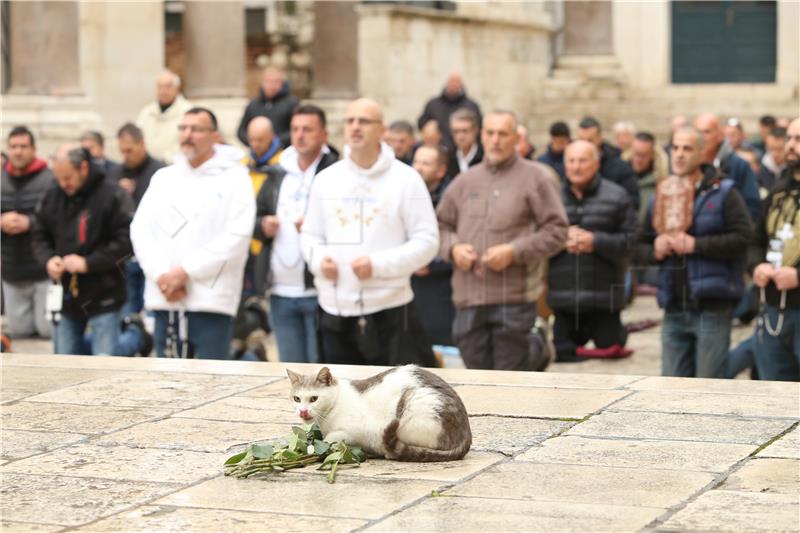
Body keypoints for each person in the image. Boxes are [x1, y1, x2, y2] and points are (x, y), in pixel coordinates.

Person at [301, 98, 439, 367]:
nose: (355, 127)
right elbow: (309, 235)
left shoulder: (406, 179)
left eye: (364, 121)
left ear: (382, 130)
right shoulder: (326, 179)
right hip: (334, 309)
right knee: (342, 401)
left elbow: (427, 241)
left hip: (391, 311)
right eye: (350, 120)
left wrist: (377, 265)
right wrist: (318, 259)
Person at [437, 110, 568, 370]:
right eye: (490, 133)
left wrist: (514, 251)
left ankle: (539, 345)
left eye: (503, 134)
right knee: (476, 380)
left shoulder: (536, 177)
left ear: (516, 138)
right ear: (481, 136)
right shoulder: (464, 181)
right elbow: (439, 226)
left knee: (510, 382)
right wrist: (453, 248)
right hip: (468, 299)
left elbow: (557, 231)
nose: (495, 140)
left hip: (514, 299)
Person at [130, 107, 255, 359]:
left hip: (210, 299)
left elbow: (237, 236)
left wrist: (185, 272)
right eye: (183, 128)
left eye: (196, 129)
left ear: (214, 136)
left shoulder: (236, 179)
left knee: (211, 382)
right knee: (168, 384)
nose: (188, 134)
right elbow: (141, 230)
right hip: (166, 296)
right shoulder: (164, 178)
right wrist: (162, 274)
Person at [639, 126, 752, 378]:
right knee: (672, 388)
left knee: (709, 386)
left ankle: (747, 354)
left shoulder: (723, 192)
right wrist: (654, 249)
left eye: (687, 148)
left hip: (711, 304)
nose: (679, 154)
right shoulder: (660, 195)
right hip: (673, 303)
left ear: (702, 153)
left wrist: (696, 245)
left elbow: (743, 238)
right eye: (675, 148)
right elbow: (638, 245)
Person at [254, 104, 338, 363]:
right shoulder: (277, 172)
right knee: (292, 373)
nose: (300, 135)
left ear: (324, 134)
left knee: (322, 373)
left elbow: (349, 226)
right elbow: (252, 219)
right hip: (280, 289)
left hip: (319, 289)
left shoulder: (336, 172)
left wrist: (315, 226)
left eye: (308, 129)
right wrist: (263, 225)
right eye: (295, 129)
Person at [32, 144, 134, 355]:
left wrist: (88, 263)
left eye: (68, 178)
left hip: (105, 293)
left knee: (105, 362)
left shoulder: (112, 194)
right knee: (63, 361)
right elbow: (39, 233)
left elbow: (126, 240)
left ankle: (136, 337)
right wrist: (48, 260)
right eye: (59, 178)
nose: (63, 184)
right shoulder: (53, 193)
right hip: (66, 295)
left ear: (83, 168)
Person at [548, 140, 635, 361]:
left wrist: (594, 241)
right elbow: (534, 239)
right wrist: (561, 240)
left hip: (604, 300)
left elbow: (632, 243)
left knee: (610, 367)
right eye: (571, 161)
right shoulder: (550, 198)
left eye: (583, 160)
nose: (576, 167)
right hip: (563, 301)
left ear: (596, 163)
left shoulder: (618, 196)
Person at [748, 117, 800, 381]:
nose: (790, 145)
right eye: (789, 138)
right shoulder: (778, 190)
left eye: (798, 139)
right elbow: (756, 240)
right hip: (773, 309)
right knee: (774, 397)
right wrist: (757, 265)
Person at [1, 126, 55, 339]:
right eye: (13, 146)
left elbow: (58, 218)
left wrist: (29, 222)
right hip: (12, 271)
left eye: (23, 146)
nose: (18, 151)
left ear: (33, 149)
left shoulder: (50, 179)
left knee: (48, 331)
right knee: (20, 332)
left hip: (42, 270)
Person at [107, 123, 165, 316]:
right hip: (125, 254)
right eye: (122, 151)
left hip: (154, 251)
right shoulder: (115, 174)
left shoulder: (161, 172)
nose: (126, 156)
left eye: (130, 150)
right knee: (128, 314)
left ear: (142, 144)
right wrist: (117, 193)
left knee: (152, 314)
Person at [411, 144, 455, 347]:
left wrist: (429, 262)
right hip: (411, 285)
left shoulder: (453, 196)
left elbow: (459, 238)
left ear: (441, 170)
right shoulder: (405, 194)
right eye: (416, 161)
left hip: (442, 286)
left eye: (425, 163)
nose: (418, 167)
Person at [694, 112, 760, 220]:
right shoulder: (689, 165)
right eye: (698, 132)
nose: (702, 137)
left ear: (720, 135)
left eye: (707, 132)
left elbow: (752, 205)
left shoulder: (739, 165)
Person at [576, 116, 639, 211]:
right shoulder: (571, 166)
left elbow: (633, 202)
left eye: (590, 140)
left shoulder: (620, 166)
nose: (585, 145)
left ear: (599, 138)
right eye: (581, 140)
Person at [135, 70, 193, 163]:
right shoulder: (147, 112)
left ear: (177, 88)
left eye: (168, 87)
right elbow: (137, 138)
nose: (163, 91)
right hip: (147, 167)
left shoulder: (189, 113)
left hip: (175, 167)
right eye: (160, 87)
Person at [237, 66, 299, 148]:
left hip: (284, 151)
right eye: (268, 81)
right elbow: (241, 131)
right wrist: (254, 141)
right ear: (262, 83)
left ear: (283, 84)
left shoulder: (292, 103)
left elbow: (297, 129)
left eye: (276, 82)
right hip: (257, 154)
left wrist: (274, 141)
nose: (272, 85)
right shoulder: (253, 104)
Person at [417, 71, 482, 149]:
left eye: (456, 82)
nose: (453, 85)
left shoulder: (471, 105)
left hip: (462, 149)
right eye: (451, 82)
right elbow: (422, 123)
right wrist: (428, 126)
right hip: (438, 148)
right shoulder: (433, 104)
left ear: (461, 85)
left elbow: (479, 126)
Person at [622, 132, 669, 224]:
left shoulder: (660, 183)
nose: (638, 159)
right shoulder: (620, 176)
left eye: (643, 155)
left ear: (652, 155)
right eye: (636, 154)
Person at [447, 108, 483, 179]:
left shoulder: (484, 157)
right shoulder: (448, 158)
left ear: (475, 130)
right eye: (456, 131)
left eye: (465, 131)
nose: (460, 136)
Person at [758, 127, 787, 192]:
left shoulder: (794, 167)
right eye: (771, 149)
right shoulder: (761, 165)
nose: (775, 154)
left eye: (779, 149)